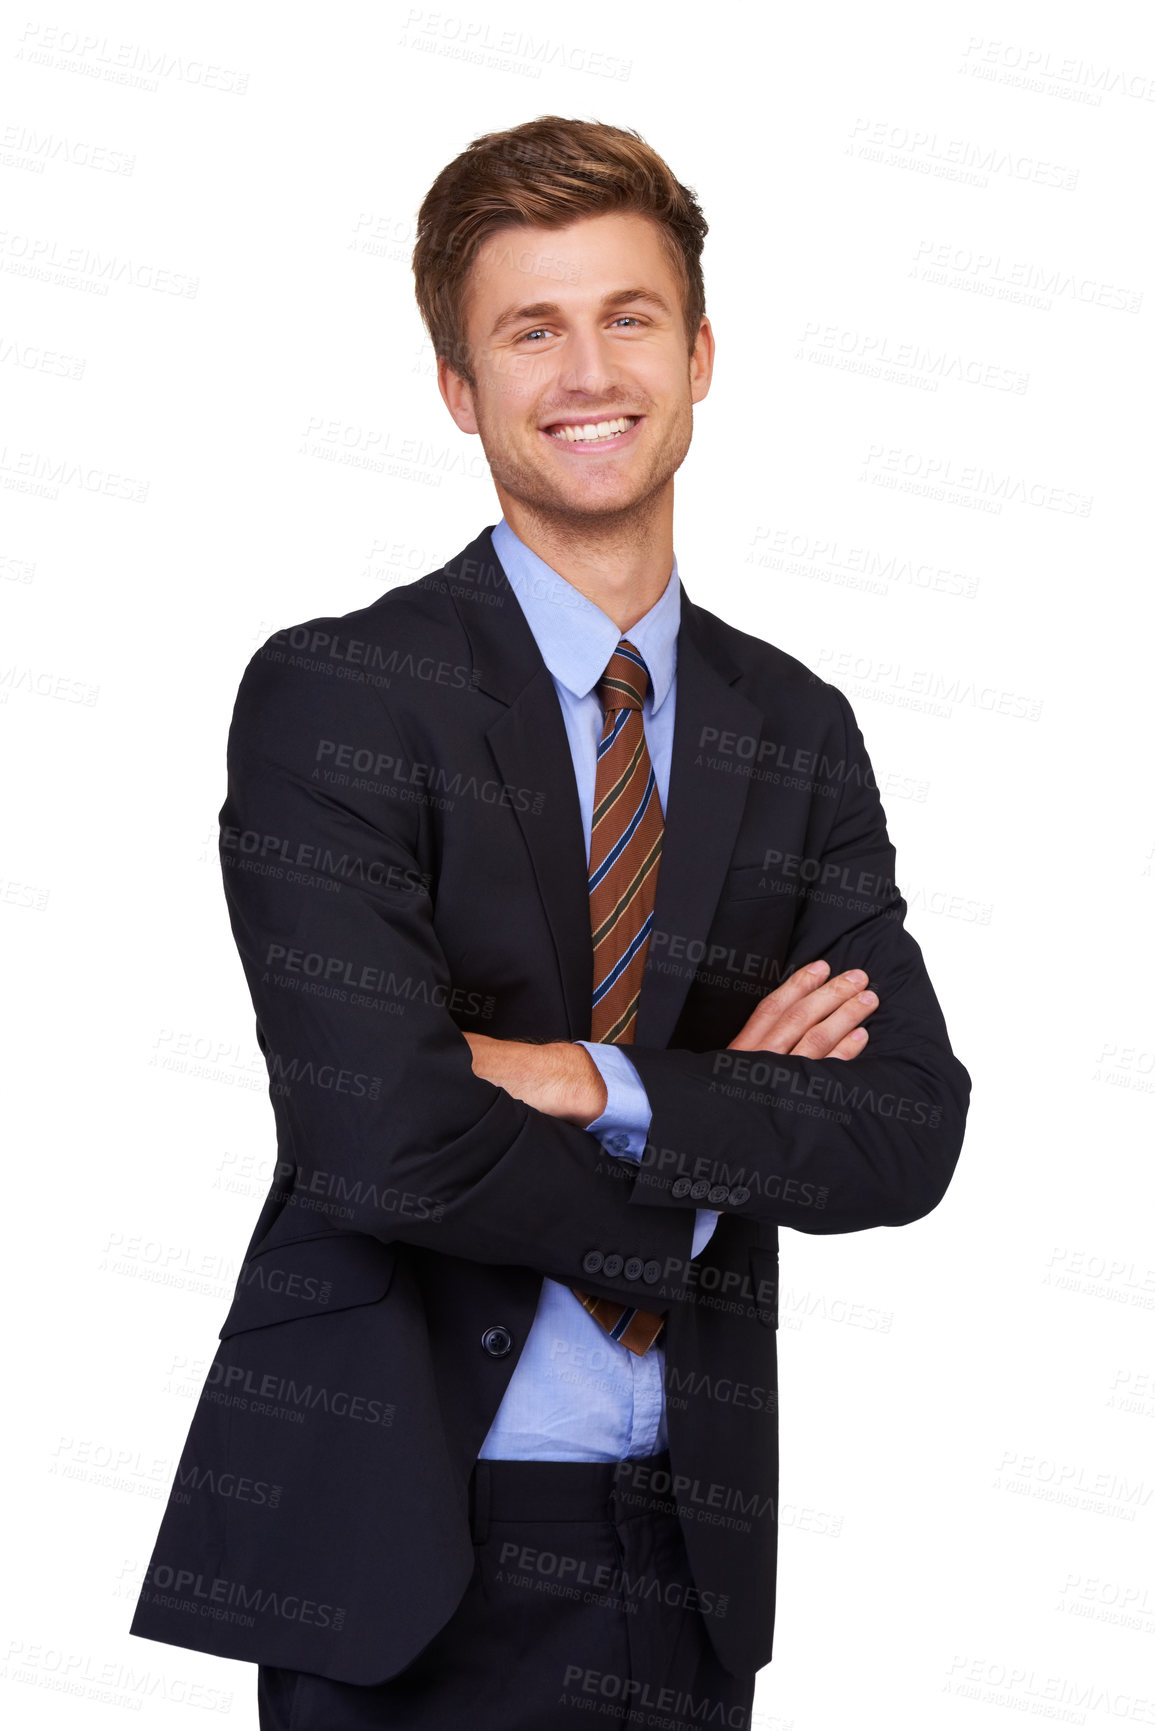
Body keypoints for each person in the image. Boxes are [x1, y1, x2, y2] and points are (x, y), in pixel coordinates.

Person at [129, 115, 971, 1729]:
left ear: (701, 352)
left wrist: (591, 1080)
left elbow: (905, 1130)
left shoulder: (791, 726)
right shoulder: (342, 697)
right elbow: (381, 1136)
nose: (588, 370)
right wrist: (726, 1148)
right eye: (532, 328)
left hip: (687, 1556)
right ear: (460, 389)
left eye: (628, 315)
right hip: (393, 1554)